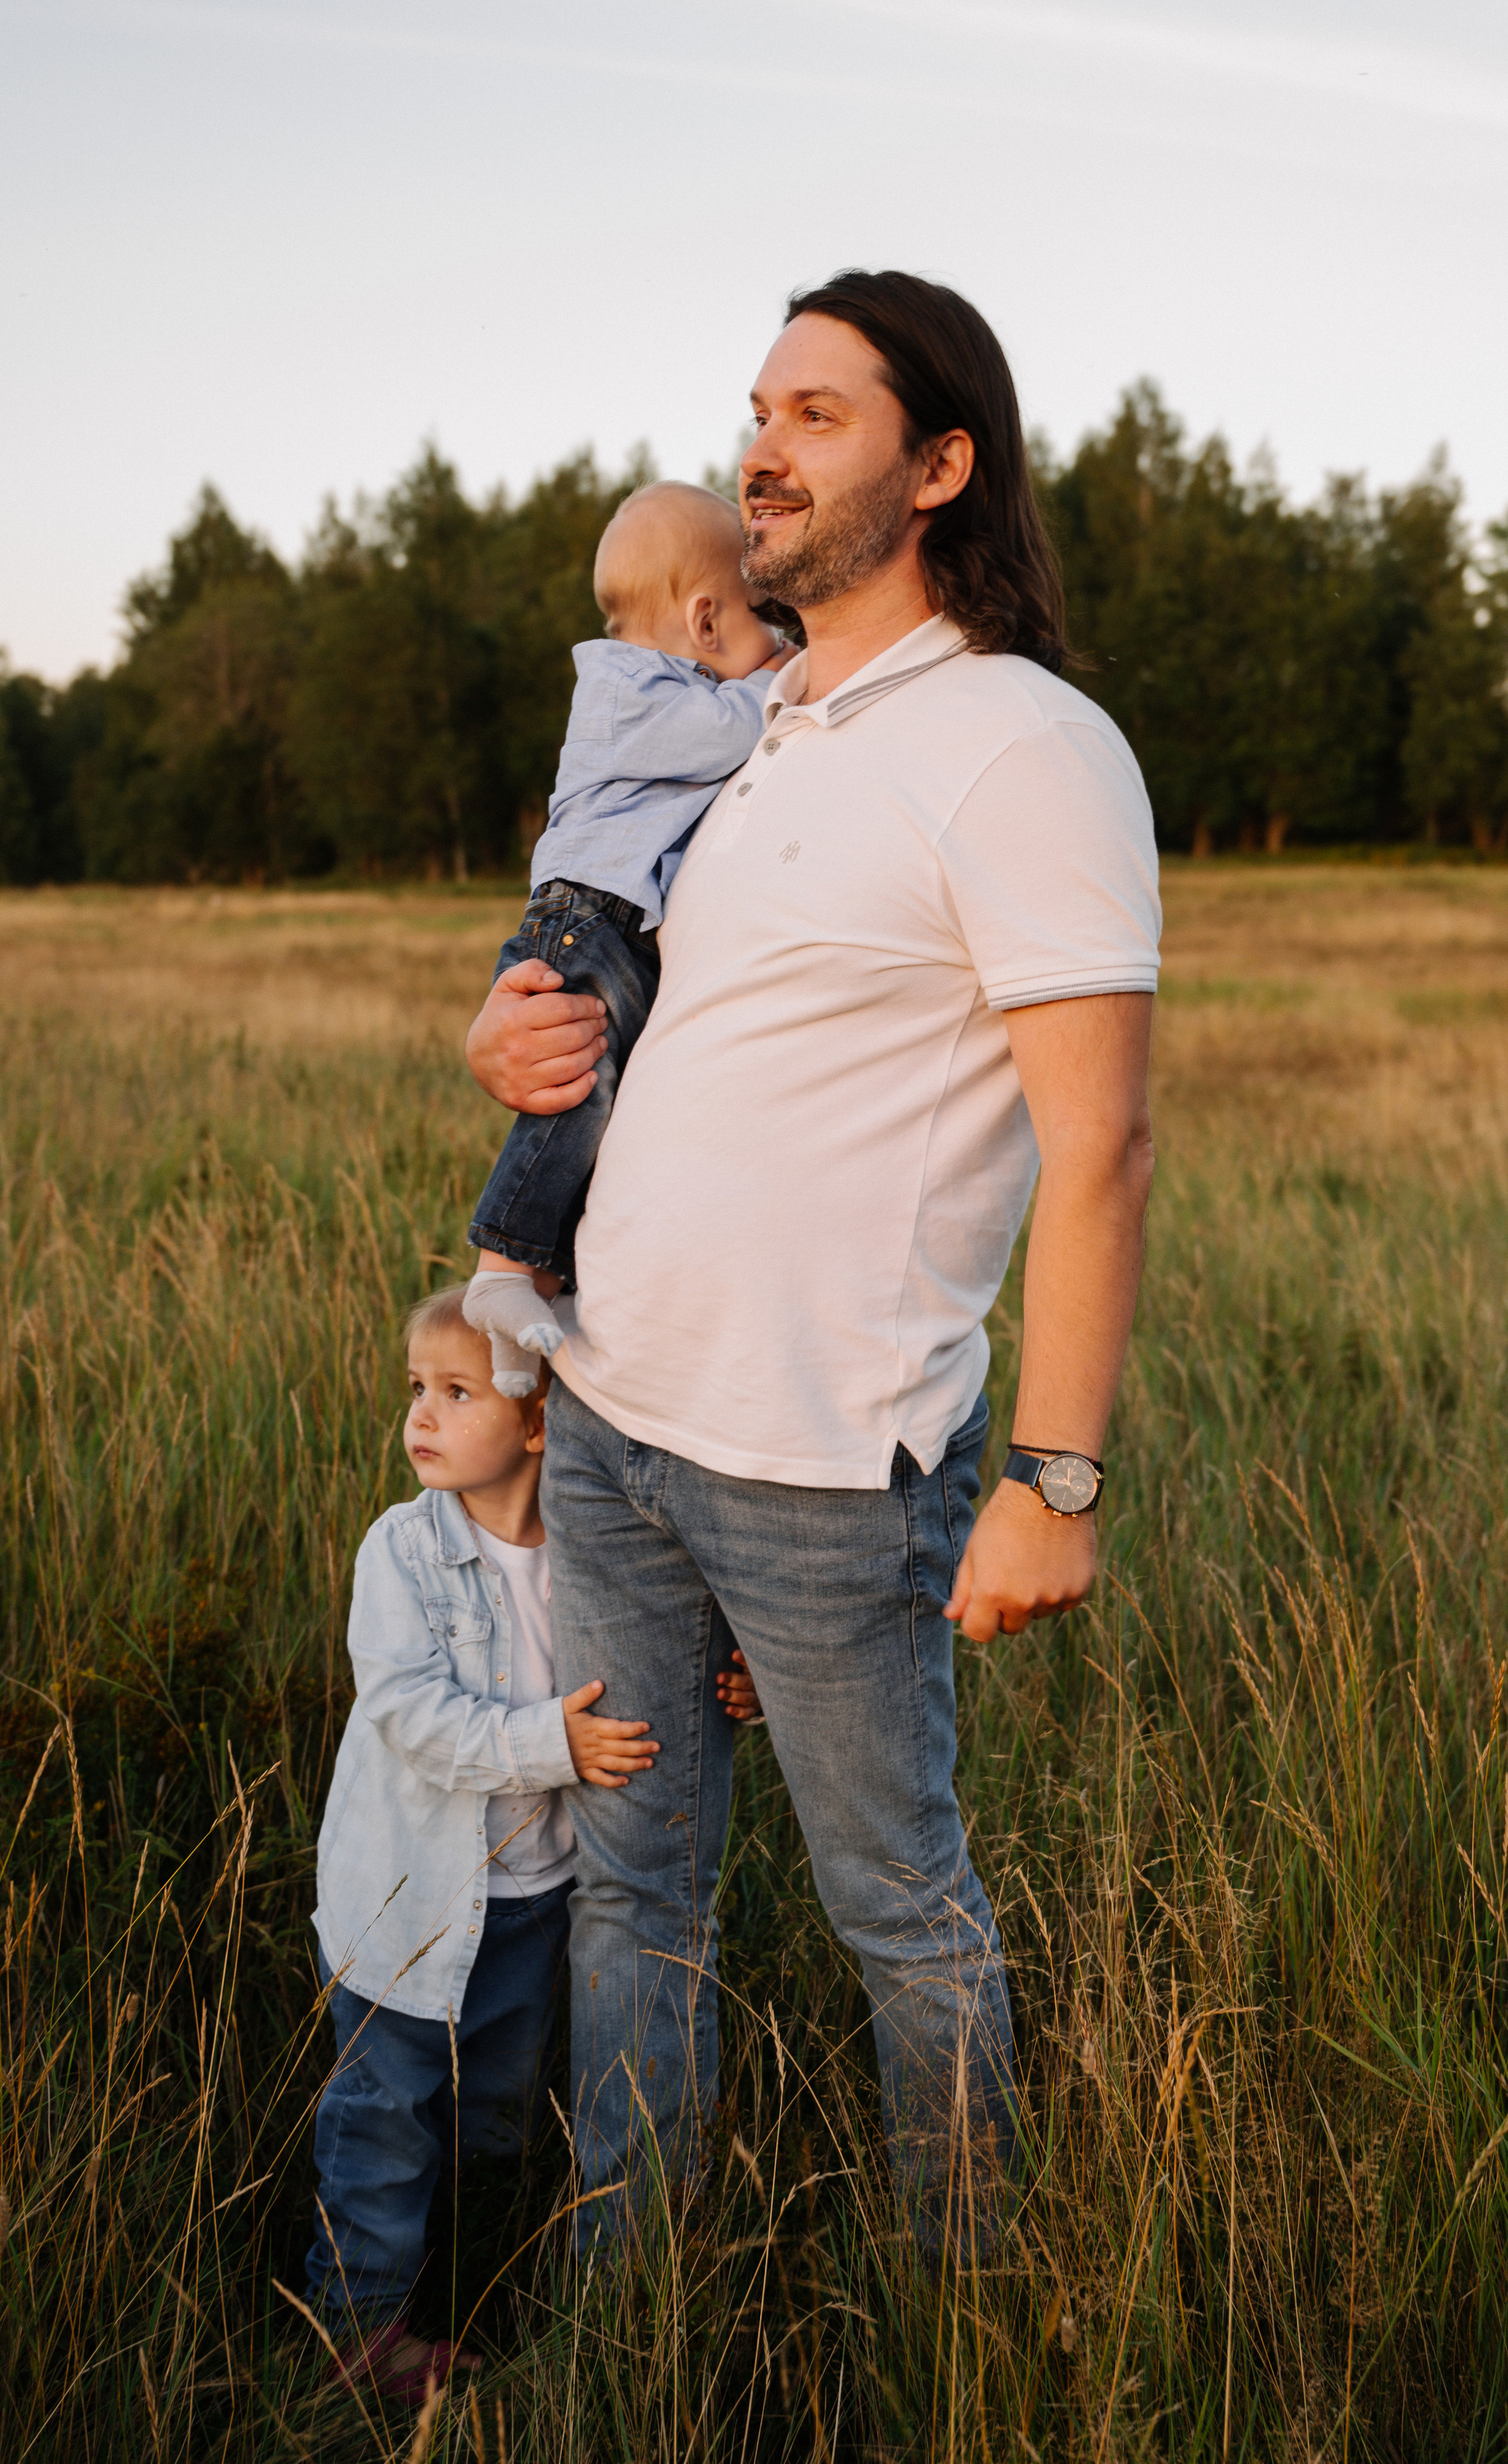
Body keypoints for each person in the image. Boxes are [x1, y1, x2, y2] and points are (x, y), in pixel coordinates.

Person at [463, 270, 1160, 2252]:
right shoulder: (749, 726)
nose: (761, 446)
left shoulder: (1023, 747)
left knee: (898, 1913)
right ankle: (635, 2316)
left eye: (820, 415)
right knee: (633, 1885)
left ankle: (963, 2333)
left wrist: (1051, 1478)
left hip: (824, 1467)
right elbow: (630, 998)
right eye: (755, 407)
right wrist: (496, 1039)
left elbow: (1101, 1139)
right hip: (611, 1418)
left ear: (939, 467)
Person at [305, 1283, 758, 2397]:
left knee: (492, 2123)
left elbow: (654, 1671)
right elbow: (411, 1716)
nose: (421, 1417)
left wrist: (732, 1683)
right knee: (384, 2125)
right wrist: (551, 1743)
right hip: (403, 1910)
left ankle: (461, 2285)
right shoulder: (401, 1555)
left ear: (542, 1419)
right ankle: (353, 2335)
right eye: (417, 1389)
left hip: (532, 1903)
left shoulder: (599, 1557)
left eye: (458, 1393)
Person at [461, 482, 791, 1396]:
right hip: (586, 917)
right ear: (707, 618)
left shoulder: (656, 684)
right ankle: (501, 1269)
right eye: (768, 618)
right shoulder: (630, 691)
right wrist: (794, 674)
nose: (780, 638)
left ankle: (533, 1293)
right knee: (577, 1089)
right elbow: (739, 730)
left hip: (606, 920)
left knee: (597, 1110)